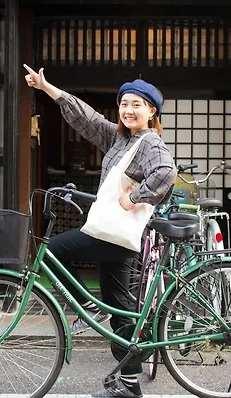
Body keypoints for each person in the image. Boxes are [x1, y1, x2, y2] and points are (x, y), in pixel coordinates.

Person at [24, 64, 176, 398]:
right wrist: (47, 88)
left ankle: (84, 305)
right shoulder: (121, 139)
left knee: (52, 250)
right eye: (124, 103)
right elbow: (87, 118)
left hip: (113, 234)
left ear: (152, 111)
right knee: (119, 309)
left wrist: (133, 197)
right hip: (115, 235)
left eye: (137, 105)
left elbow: (166, 173)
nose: (128, 110)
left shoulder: (150, 142)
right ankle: (130, 383)